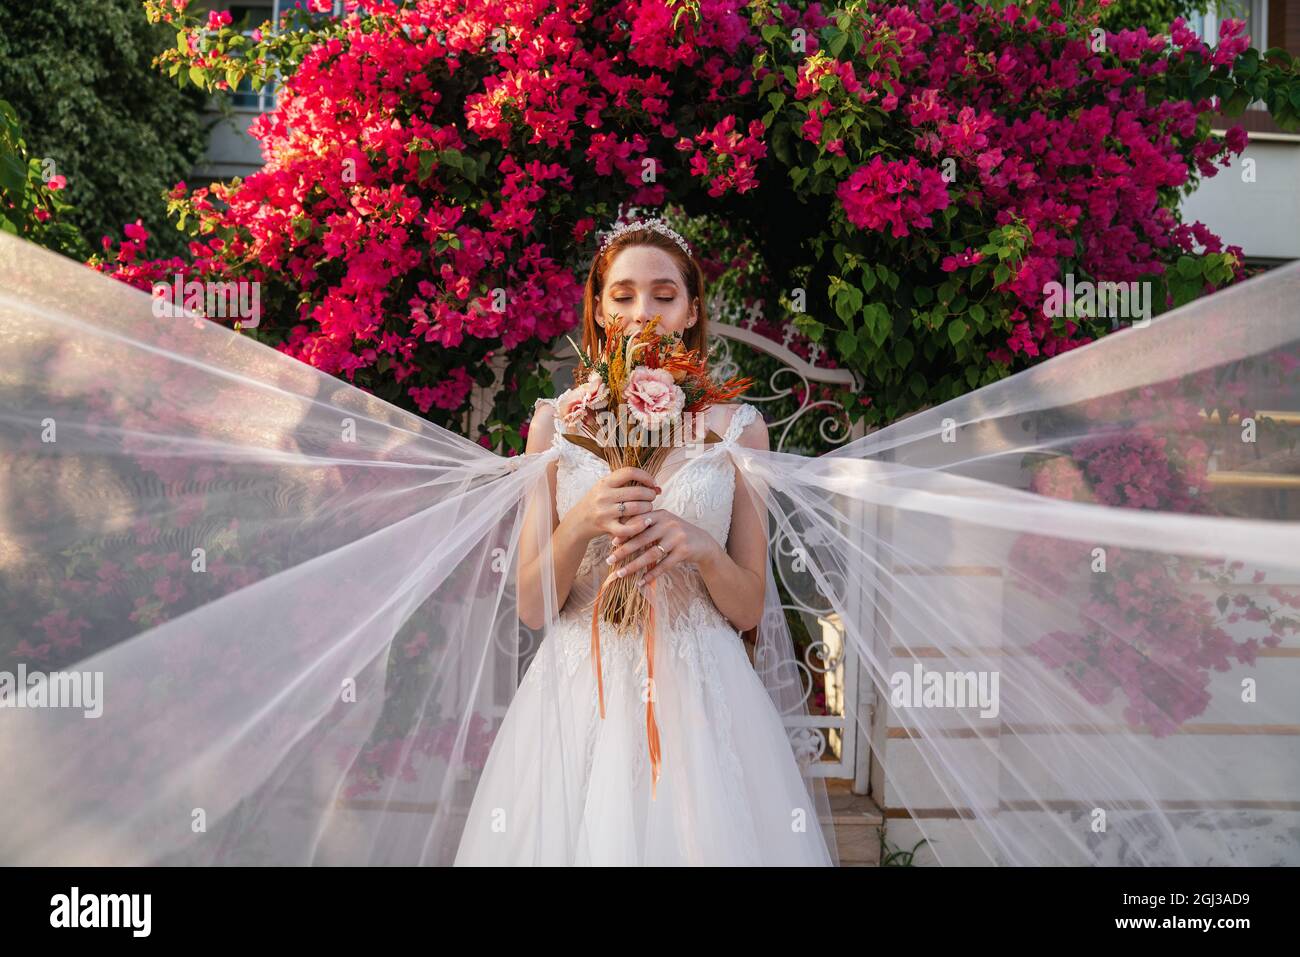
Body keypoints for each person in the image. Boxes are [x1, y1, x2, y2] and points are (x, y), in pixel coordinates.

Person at [454, 220, 835, 865]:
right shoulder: (557, 422)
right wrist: (580, 522)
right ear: (600, 310)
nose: (644, 313)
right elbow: (531, 606)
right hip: (580, 692)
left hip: (701, 695)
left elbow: (749, 609)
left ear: (690, 311)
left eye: (664, 295)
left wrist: (702, 548)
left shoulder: (739, 429)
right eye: (624, 295)